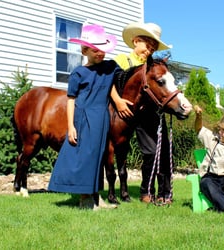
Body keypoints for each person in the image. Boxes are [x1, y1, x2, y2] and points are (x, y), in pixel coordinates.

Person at [48, 24, 129, 210]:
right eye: (95, 50)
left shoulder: (110, 67)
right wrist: (71, 126)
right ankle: (85, 199)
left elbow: (115, 83)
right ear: (84, 50)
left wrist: (118, 101)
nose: (100, 53)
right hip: (83, 117)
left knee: (97, 157)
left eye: (103, 50)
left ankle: (96, 197)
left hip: (101, 117)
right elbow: (71, 100)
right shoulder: (78, 73)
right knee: (85, 157)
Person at [111, 22, 174, 205]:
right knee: (148, 151)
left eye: (153, 48)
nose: (149, 50)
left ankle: (164, 192)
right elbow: (108, 84)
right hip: (124, 113)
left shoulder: (153, 65)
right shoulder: (122, 60)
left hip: (148, 113)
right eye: (147, 46)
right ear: (136, 41)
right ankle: (146, 191)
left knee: (159, 151)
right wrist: (118, 101)